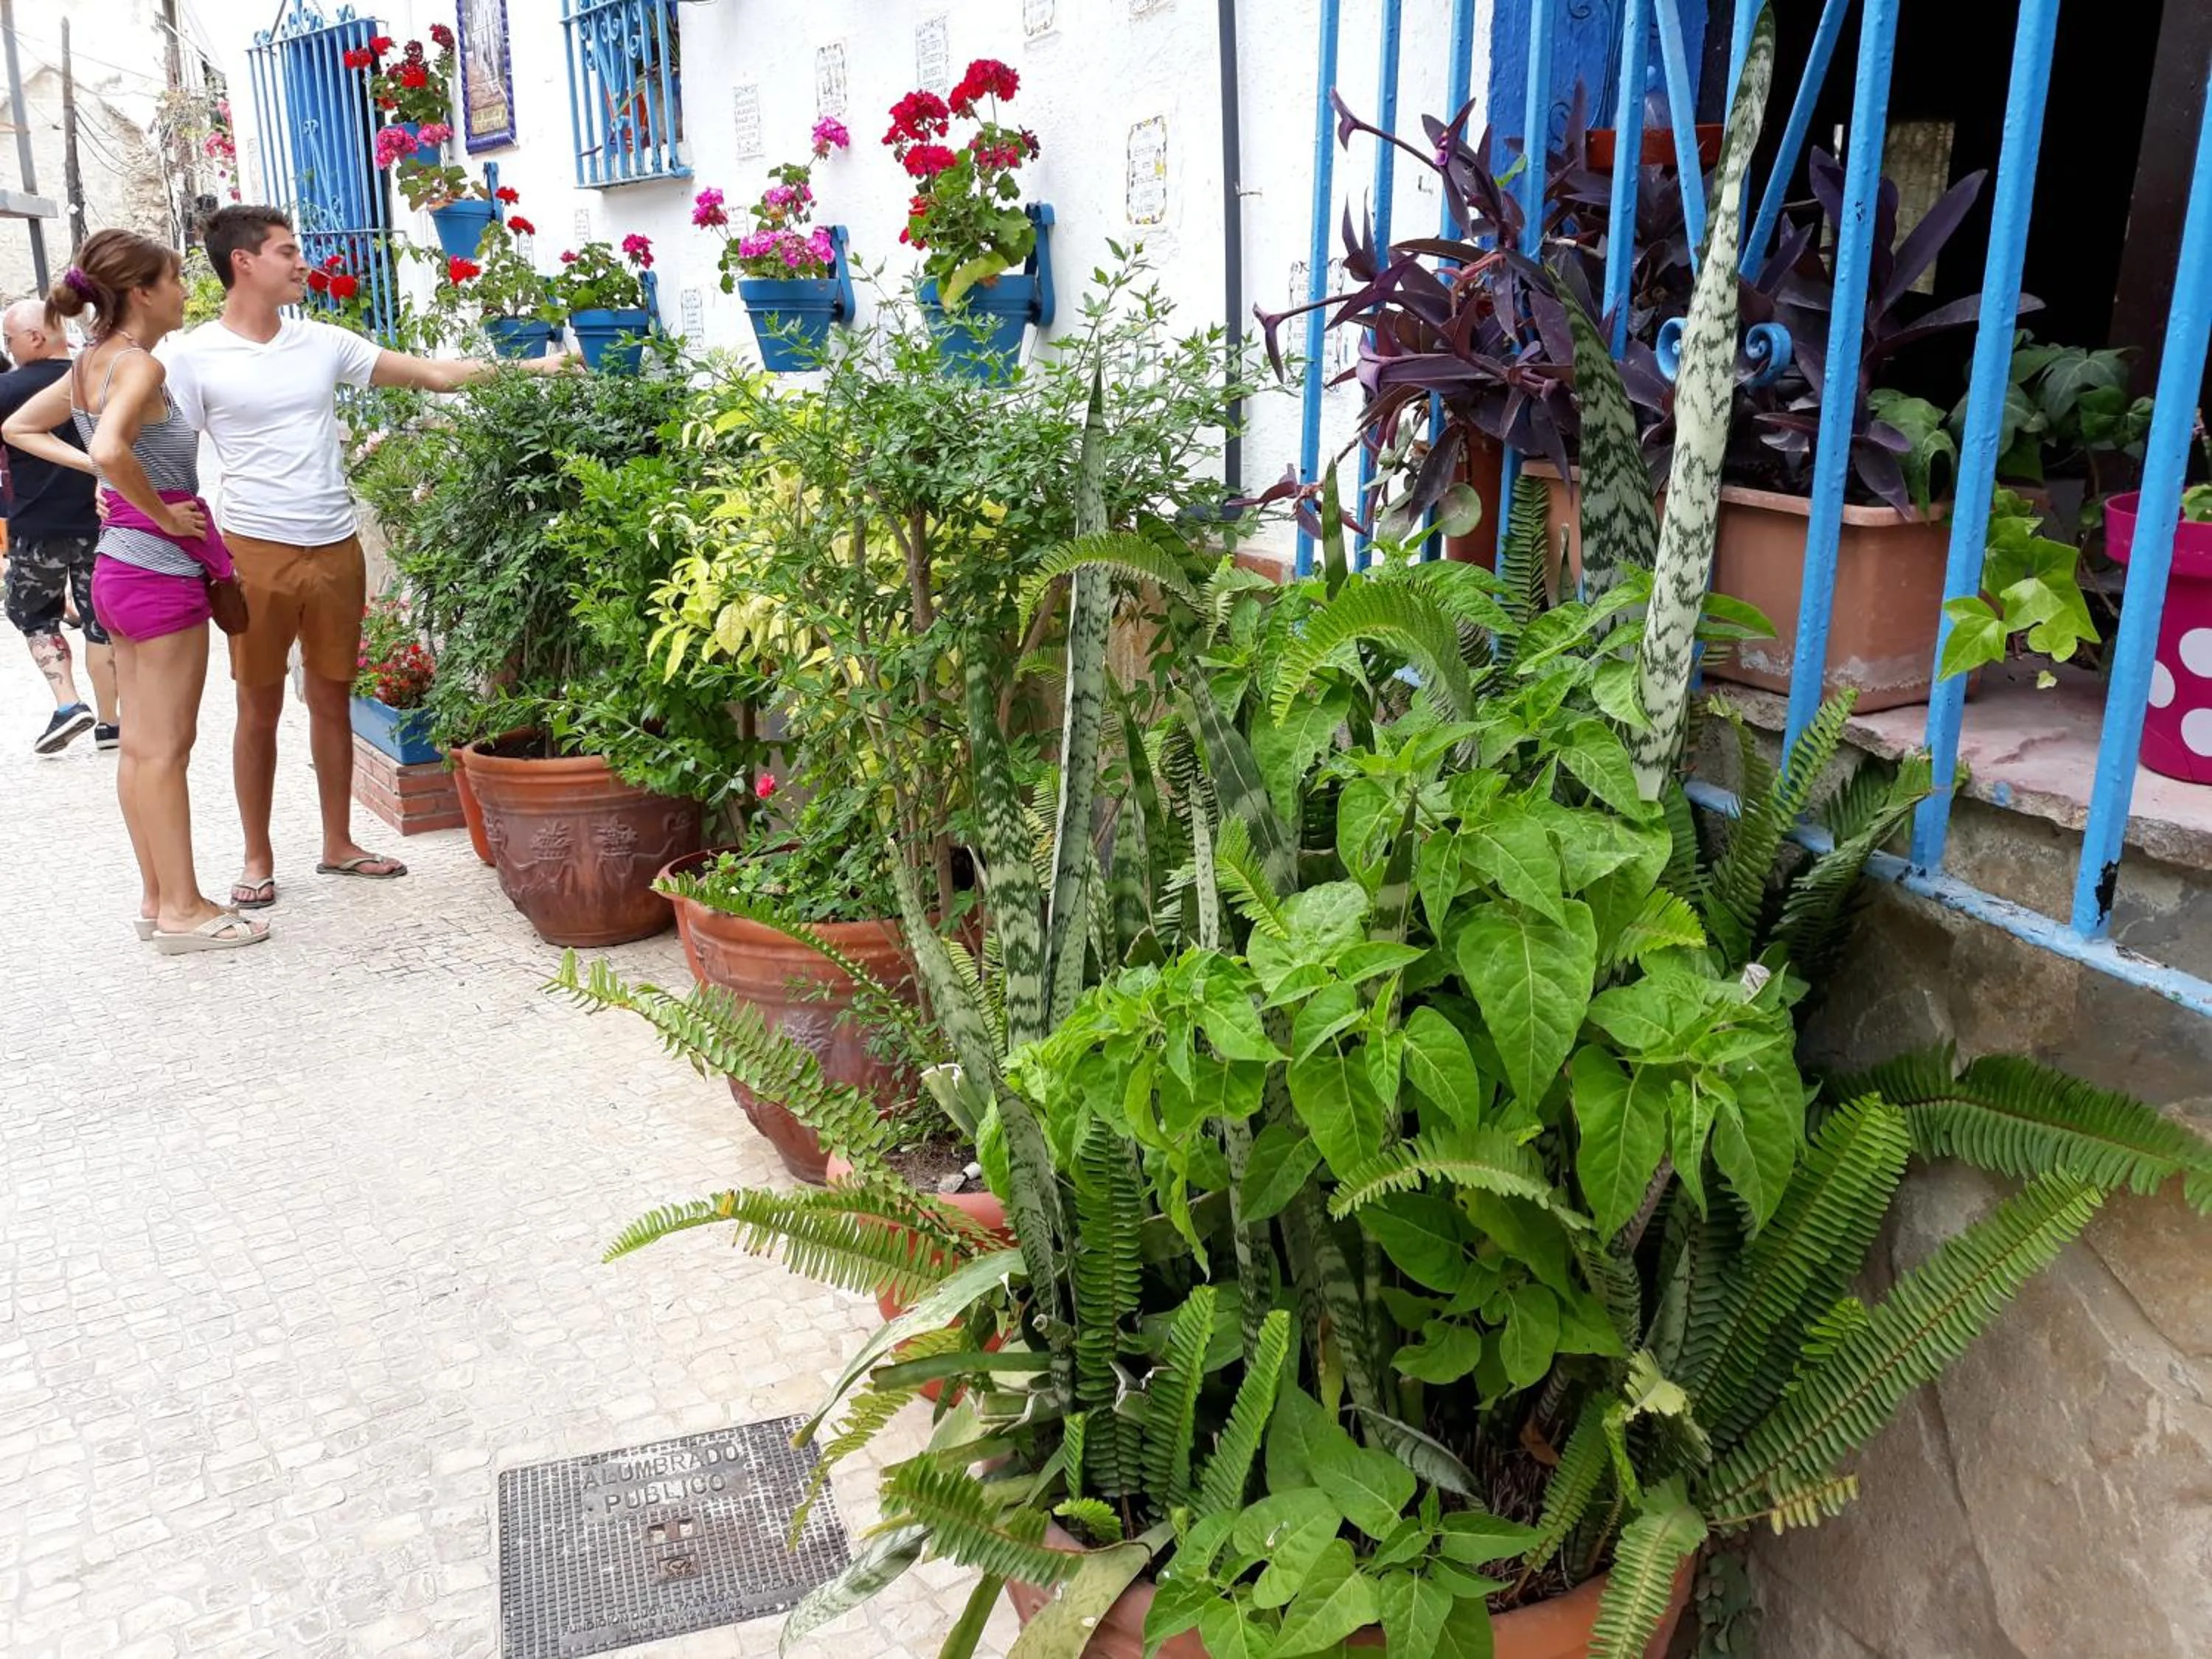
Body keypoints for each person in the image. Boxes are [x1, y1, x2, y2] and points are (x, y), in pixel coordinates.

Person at [166, 205, 568, 911]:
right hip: (252, 549)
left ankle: (338, 843)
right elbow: (163, 446)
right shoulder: (192, 355)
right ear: (243, 263)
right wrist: (139, 507)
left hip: (335, 545)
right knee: (256, 707)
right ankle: (257, 856)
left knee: (331, 696)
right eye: (287, 252)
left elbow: (435, 376)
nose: (302, 264)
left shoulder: (321, 342)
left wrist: (540, 366)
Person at [1, 232, 268, 953]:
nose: (186, 291)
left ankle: (158, 898)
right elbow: (115, 448)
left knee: (140, 749)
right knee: (167, 749)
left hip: (117, 571)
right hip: (159, 572)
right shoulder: (140, 366)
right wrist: (154, 507)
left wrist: (109, 484)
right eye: (178, 278)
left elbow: (19, 427)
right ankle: (184, 909)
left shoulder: (90, 362)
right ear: (143, 292)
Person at [1, 297, 120, 754]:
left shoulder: (6, 391)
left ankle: (69, 703)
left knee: (33, 614)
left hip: (37, 526)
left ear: (34, 337)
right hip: (101, 521)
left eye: (9, 340)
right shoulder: (95, 379)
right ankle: (111, 723)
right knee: (100, 621)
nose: (8, 349)